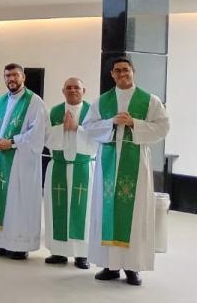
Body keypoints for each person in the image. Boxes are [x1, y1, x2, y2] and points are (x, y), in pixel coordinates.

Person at [85, 57, 170, 286]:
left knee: (136, 212)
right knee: (107, 210)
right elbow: (88, 127)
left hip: (136, 163)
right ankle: (109, 265)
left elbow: (163, 127)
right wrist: (111, 122)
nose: (122, 74)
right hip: (108, 163)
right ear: (112, 74)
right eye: (118, 71)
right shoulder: (101, 101)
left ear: (133, 71)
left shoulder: (150, 100)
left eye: (126, 70)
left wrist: (135, 124)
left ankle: (133, 268)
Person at [0, 63, 47, 260]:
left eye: (15, 75)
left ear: (23, 77)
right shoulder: (2, 100)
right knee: (5, 202)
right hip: (1, 159)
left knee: (19, 202)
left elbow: (37, 133)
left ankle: (20, 246)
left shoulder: (34, 101)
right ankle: (3, 242)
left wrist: (11, 143)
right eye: (7, 76)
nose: (11, 79)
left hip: (21, 162)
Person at [44, 77, 96, 269]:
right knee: (55, 209)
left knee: (84, 211)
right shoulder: (55, 111)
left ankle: (82, 255)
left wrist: (76, 128)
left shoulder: (93, 112)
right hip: (59, 166)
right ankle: (59, 252)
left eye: (77, 87)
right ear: (63, 91)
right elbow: (46, 137)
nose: (73, 90)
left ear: (84, 90)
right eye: (69, 87)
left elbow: (99, 137)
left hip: (83, 168)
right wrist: (61, 128)